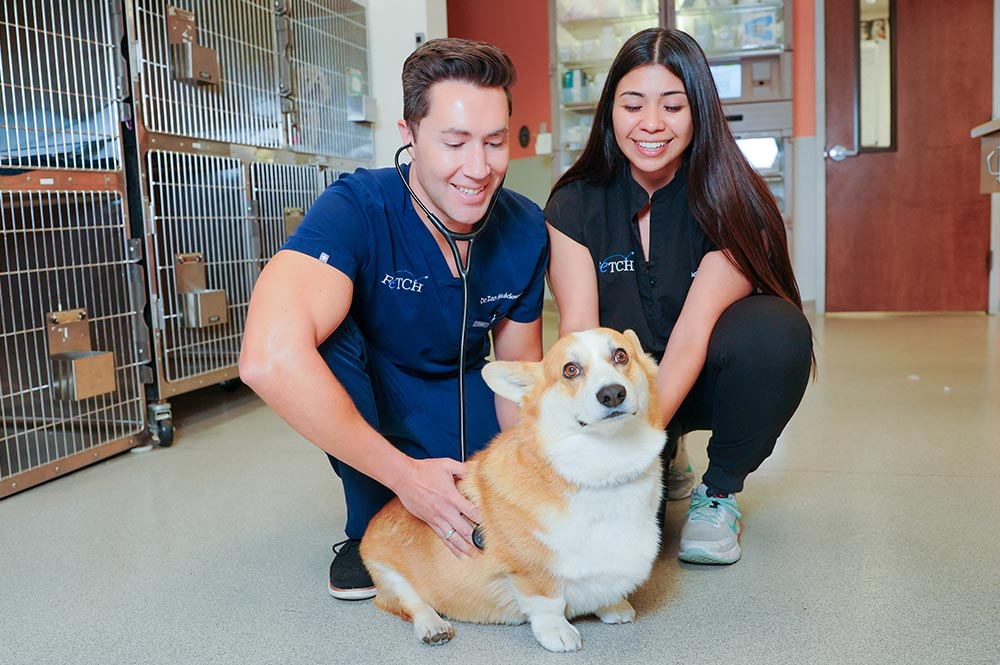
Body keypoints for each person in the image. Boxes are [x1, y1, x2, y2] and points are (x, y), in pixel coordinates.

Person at [239, 38, 548, 599]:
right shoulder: (357, 207)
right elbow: (267, 359)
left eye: (495, 143)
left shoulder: (524, 227)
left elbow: (519, 374)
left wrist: (531, 492)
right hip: (374, 400)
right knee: (324, 337)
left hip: (465, 396)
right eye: (454, 143)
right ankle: (370, 529)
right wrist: (406, 478)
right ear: (408, 134)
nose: (478, 169)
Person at [544, 27, 813, 565]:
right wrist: (589, 457)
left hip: (705, 379)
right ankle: (667, 457)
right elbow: (579, 332)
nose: (650, 124)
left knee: (776, 332)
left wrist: (640, 444)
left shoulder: (735, 202)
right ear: (609, 111)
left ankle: (718, 491)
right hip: (621, 391)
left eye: (673, 105)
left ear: (700, 112)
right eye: (632, 104)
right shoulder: (574, 204)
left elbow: (690, 337)